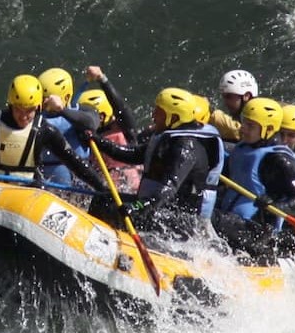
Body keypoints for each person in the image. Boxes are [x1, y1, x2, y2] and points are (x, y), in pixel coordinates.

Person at [87, 87, 226, 244]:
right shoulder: (168, 137)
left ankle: (115, 246)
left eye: (159, 112)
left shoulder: (186, 147)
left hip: (185, 221)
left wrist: (138, 206)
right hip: (161, 208)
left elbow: (167, 191)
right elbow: (132, 154)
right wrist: (98, 141)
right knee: (103, 199)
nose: (153, 115)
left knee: (125, 211)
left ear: (173, 118)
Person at [0, 75, 108, 190]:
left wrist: (102, 188)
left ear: (38, 107)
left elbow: (75, 163)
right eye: (19, 109)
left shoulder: (45, 130)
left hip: (24, 190)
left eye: (30, 110)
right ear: (10, 105)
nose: (24, 116)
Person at [211, 98, 295, 263]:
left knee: (203, 217)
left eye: (250, 126)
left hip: (255, 231)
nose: (243, 128)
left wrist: (275, 207)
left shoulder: (280, 160)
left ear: (268, 129)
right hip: (232, 220)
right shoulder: (243, 148)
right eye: (244, 122)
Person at [36, 67, 101, 186]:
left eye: (47, 99)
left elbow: (92, 124)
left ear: (65, 98)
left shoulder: (83, 111)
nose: (42, 103)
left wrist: (61, 110)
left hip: (76, 186)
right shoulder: (32, 117)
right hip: (44, 185)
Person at [210, 69, 257, 143]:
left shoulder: (259, 115)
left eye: (229, 97)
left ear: (246, 96)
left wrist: (211, 114)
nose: (225, 102)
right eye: (223, 97)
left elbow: (242, 132)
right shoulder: (241, 116)